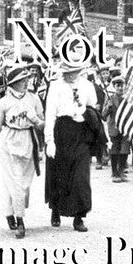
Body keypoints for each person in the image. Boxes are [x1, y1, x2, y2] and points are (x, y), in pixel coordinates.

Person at [0, 65, 44, 238]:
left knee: (24, 184)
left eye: (26, 80)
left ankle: (9, 211)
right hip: (9, 143)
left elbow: (42, 123)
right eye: (21, 81)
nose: (25, 83)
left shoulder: (34, 98)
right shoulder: (3, 102)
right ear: (12, 84)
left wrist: (36, 120)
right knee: (16, 183)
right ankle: (20, 221)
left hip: (28, 141)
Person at [44, 61, 101, 231]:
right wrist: (49, 140)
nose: (71, 75)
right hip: (61, 131)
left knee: (81, 176)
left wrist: (85, 113)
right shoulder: (55, 87)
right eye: (67, 72)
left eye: (74, 71)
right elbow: (50, 114)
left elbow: (93, 107)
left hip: (81, 132)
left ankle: (79, 216)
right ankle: (55, 209)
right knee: (59, 173)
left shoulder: (87, 86)